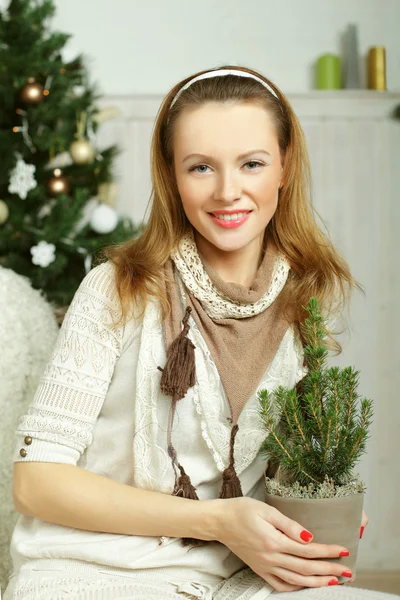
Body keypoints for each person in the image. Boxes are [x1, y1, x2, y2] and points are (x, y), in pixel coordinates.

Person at [3, 65, 392, 600]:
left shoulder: (304, 299)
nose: (228, 192)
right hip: (97, 571)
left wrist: (318, 507)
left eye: (251, 164)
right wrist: (220, 521)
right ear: (171, 177)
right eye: (201, 167)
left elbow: (279, 476)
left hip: (237, 575)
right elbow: (36, 483)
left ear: (284, 167)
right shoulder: (117, 290)